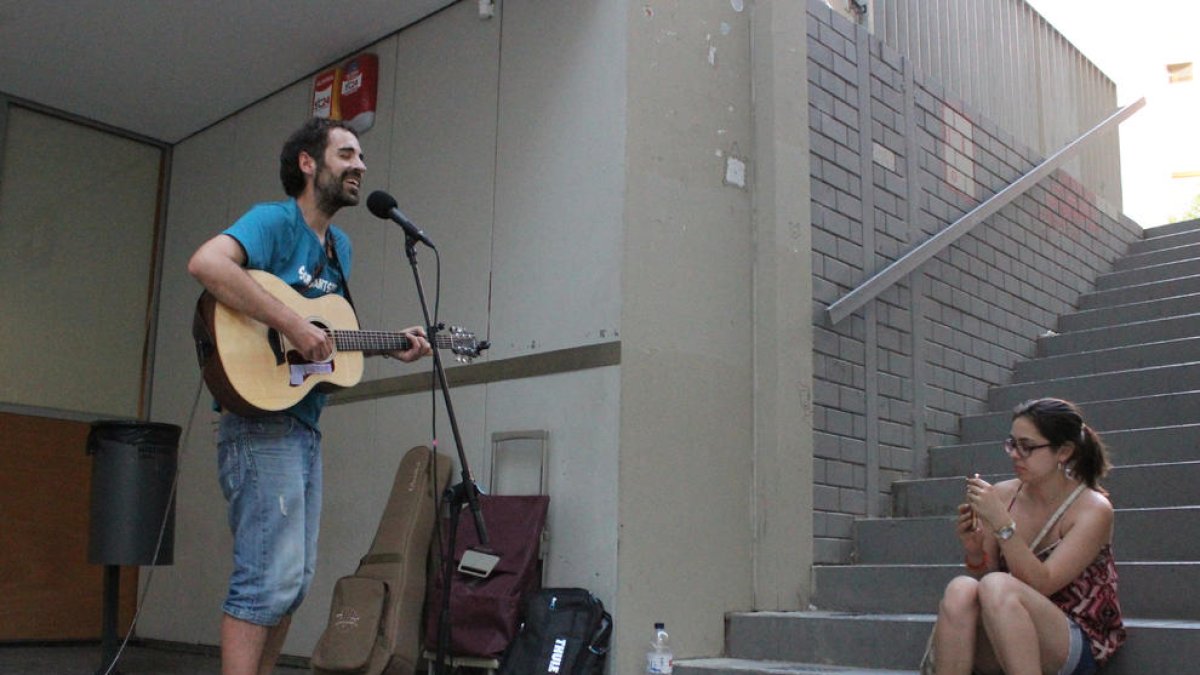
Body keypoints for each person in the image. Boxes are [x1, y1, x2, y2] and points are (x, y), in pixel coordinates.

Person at [188, 117, 431, 675]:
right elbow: (207, 264)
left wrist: (390, 345)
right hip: (255, 425)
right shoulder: (274, 221)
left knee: (293, 585)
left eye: (362, 156)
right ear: (307, 163)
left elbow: (328, 339)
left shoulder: (339, 248)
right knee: (264, 580)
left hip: (301, 427)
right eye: (347, 153)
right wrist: (292, 324)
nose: (361, 166)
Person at [932, 397, 1126, 675]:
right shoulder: (1003, 494)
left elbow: (1042, 584)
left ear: (1064, 452)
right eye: (1012, 444)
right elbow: (984, 578)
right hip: (1006, 626)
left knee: (999, 585)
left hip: (1072, 636)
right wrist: (975, 551)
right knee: (961, 588)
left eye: (1027, 447)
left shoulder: (1092, 509)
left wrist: (1001, 523)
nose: (1014, 454)